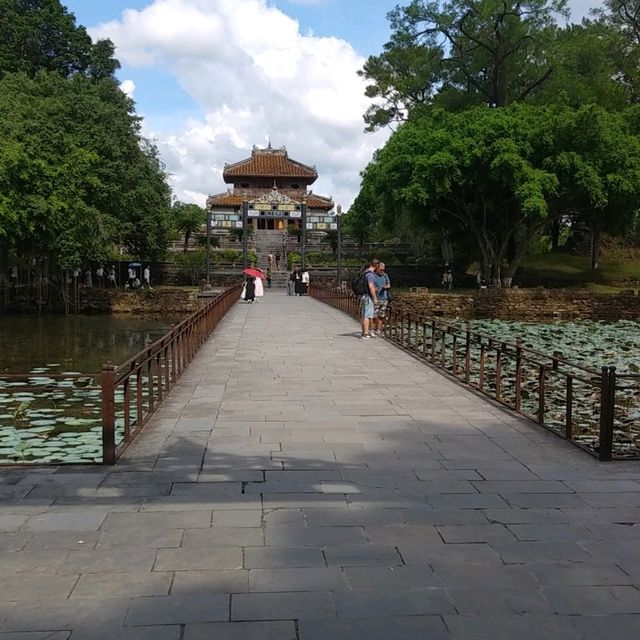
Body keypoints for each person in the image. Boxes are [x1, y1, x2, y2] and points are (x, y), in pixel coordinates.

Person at [360, 258, 380, 339]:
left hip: (364, 296)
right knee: (367, 316)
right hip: (368, 297)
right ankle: (365, 333)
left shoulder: (365, 272)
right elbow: (371, 287)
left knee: (364, 315)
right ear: (376, 265)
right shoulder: (370, 274)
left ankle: (364, 331)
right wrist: (375, 299)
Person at [373, 261, 391, 336]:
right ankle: (374, 327)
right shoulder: (373, 276)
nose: (382, 271)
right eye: (381, 269)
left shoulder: (385, 275)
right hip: (376, 298)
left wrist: (386, 287)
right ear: (377, 268)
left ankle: (378, 330)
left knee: (381, 315)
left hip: (384, 298)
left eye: (383, 269)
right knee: (374, 315)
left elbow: (389, 285)